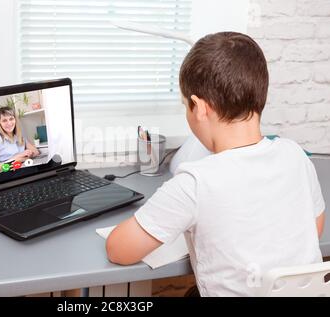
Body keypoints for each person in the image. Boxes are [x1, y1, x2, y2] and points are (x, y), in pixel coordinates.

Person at [105, 32, 326, 296]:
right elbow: (314, 227)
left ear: (198, 107)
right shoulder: (295, 156)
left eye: (185, 105)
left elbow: (118, 250)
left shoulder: (196, 182)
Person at [0, 106, 39, 186]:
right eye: (4, 120)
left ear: (15, 120)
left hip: (11, 170)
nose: (9, 123)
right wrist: (15, 159)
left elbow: (35, 152)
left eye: (11, 119)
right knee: (28, 171)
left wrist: (24, 156)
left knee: (34, 169)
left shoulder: (20, 137)